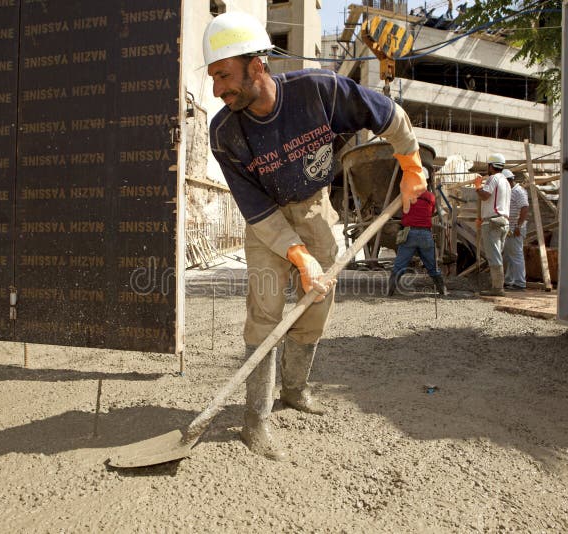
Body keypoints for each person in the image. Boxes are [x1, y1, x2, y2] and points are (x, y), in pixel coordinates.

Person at [203, 11, 427, 460]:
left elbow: (391, 116)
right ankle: (256, 419)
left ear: (257, 64)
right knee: (266, 309)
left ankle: (294, 390)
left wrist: (411, 167)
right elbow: (257, 210)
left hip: (314, 204)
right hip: (266, 218)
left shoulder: (320, 92)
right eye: (212, 77)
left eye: (224, 74)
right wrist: (298, 256)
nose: (217, 89)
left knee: (319, 298)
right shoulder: (224, 133)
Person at [387, 186, 447, 296]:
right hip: (426, 234)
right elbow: (432, 211)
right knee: (432, 266)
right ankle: (442, 291)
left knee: (399, 266)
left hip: (410, 233)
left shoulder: (407, 193)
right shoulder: (431, 196)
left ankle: (390, 291)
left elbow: (402, 209)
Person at [474, 154, 511, 296]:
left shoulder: (493, 178)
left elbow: (485, 195)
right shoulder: (506, 182)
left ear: (491, 166)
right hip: (502, 221)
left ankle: (497, 288)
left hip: (493, 222)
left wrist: (478, 187)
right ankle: (498, 286)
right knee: (498, 255)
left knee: (493, 256)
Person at [502, 169, 529, 291]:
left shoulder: (518, 191)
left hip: (516, 228)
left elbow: (524, 209)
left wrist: (518, 225)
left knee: (516, 255)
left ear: (509, 180)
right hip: (510, 227)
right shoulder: (510, 191)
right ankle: (509, 280)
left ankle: (520, 282)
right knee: (509, 255)